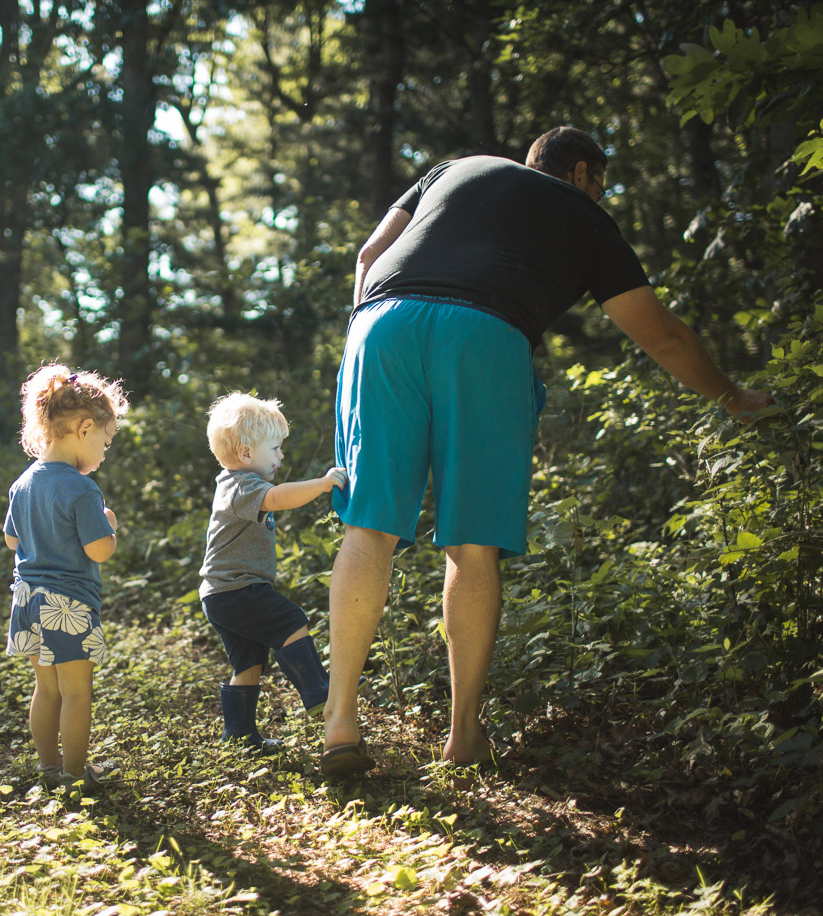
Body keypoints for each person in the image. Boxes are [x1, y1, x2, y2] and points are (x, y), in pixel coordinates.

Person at [320, 127, 774, 777]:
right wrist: (730, 395)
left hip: (380, 323)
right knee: (471, 543)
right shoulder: (582, 213)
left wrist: (369, 335)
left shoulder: (459, 166)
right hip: (483, 332)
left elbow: (369, 254)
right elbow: (664, 337)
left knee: (369, 526)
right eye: (604, 182)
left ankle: (340, 723)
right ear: (584, 172)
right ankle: (463, 736)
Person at [3, 364, 131, 793]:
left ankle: (47, 766)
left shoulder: (23, 483)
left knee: (47, 688)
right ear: (85, 428)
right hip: (68, 605)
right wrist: (108, 524)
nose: (104, 452)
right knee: (77, 692)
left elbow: (10, 538)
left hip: (27, 600)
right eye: (106, 442)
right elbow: (99, 550)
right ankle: (76, 775)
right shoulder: (82, 490)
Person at [199, 392, 347, 750]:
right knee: (290, 619)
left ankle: (239, 736)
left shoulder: (235, 484)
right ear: (246, 454)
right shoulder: (242, 484)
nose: (281, 456)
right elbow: (279, 498)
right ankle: (318, 692)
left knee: (249, 664)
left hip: (221, 594)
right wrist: (324, 484)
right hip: (236, 590)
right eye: (276, 448)